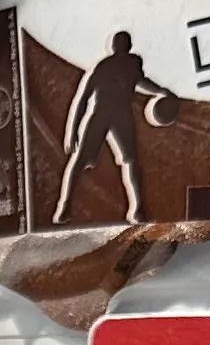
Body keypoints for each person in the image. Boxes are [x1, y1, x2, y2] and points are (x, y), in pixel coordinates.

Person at [52, 29, 183, 224]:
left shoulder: (132, 64)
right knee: (80, 159)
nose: (122, 48)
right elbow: (83, 99)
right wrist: (72, 131)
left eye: (124, 44)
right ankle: (65, 205)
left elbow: (140, 81)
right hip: (101, 113)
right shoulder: (103, 67)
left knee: (130, 160)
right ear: (114, 46)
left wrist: (160, 90)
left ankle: (137, 208)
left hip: (121, 114)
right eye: (120, 44)